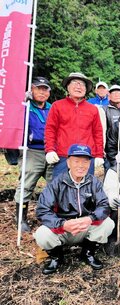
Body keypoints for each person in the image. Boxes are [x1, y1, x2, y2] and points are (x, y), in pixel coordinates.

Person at [34, 144, 114, 275]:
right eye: (76, 161)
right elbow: (42, 210)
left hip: (85, 227)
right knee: (42, 234)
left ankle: (88, 252)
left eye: (85, 161)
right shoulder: (56, 183)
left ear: (90, 164)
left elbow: (104, 205)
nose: (81, 166)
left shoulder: (94, 182)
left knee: (108, 223)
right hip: (63, 229)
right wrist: (63, 224)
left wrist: (90, 218)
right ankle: (57, 257)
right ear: (68, 162)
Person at [44, 72, 104, 178]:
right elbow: (50, 129)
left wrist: (99, 155)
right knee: (60, 188)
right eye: (75, 83)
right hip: (63, 155)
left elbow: (98, 132)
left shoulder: (93, 109)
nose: (78, 86)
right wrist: (50, 150)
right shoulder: (57, 106)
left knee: (84, 189)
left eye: (82, 84)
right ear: (68, 87)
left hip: (86, 156)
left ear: (86, 89)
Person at [14, 77, 53, 232]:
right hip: (31, 150)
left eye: (45, 89)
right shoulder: (25, 106)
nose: (42, 92)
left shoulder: (52, 107)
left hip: (50, 151)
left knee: (54, 185)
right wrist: (21, 100)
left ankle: (49, 215)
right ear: (32, 89)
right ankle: (21, 217)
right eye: (38, 88)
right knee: (27, 184)